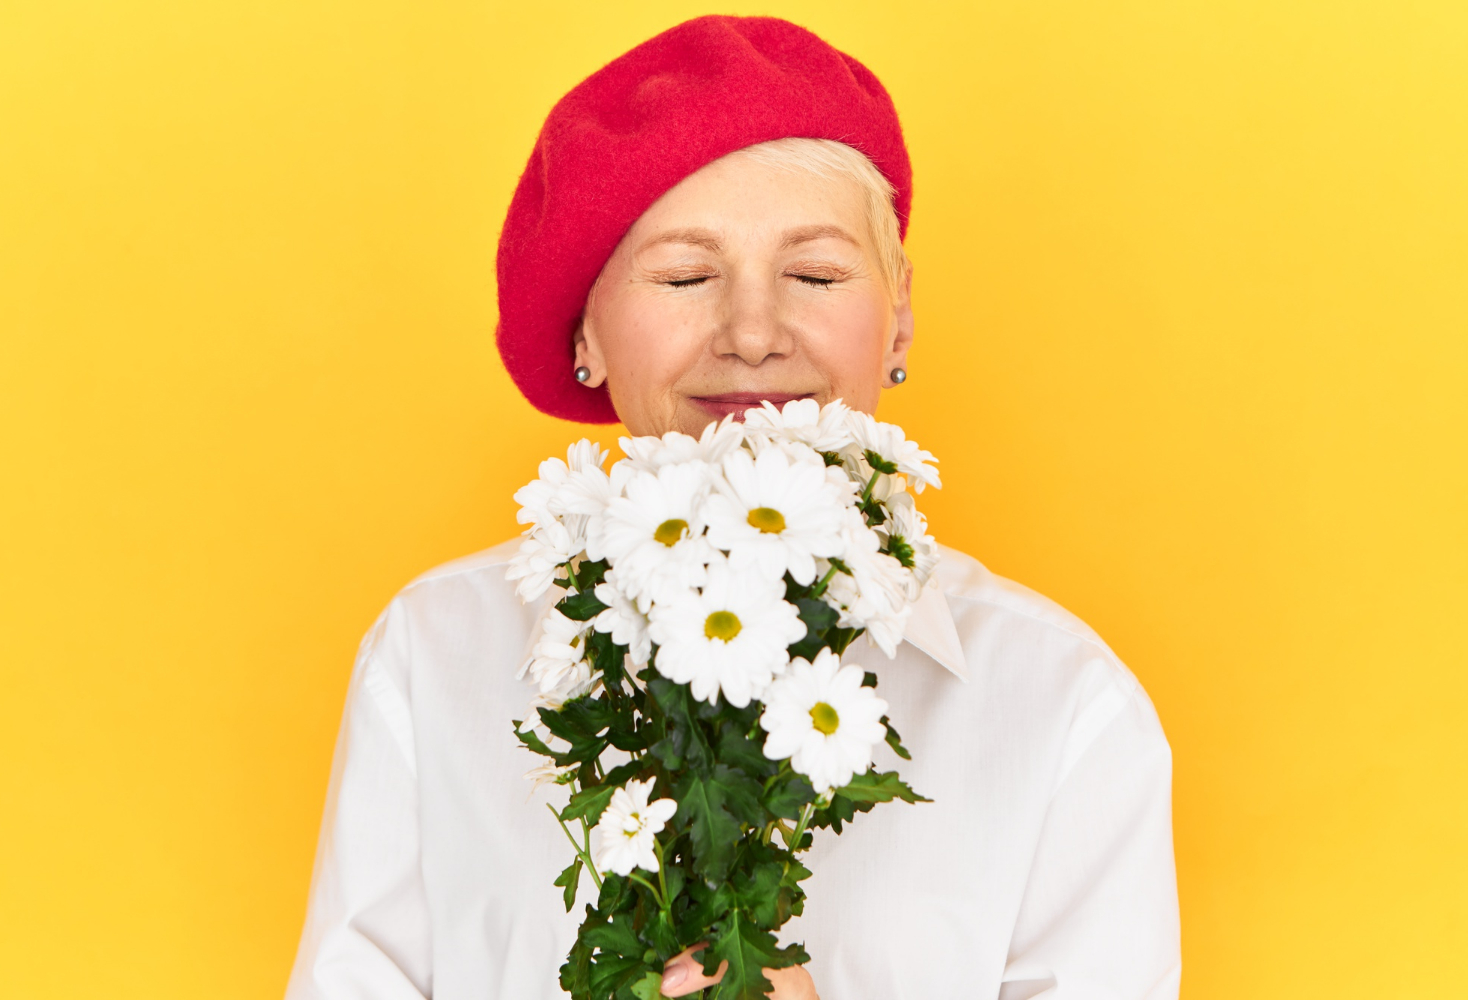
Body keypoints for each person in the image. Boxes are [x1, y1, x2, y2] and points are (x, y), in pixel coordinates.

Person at [286, 16, 1179, 1000]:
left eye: (814, 274)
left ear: (901, 314)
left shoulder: (1063, 709)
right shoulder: (430, 660)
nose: (753, 333)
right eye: (685, 276)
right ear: (587, 330)